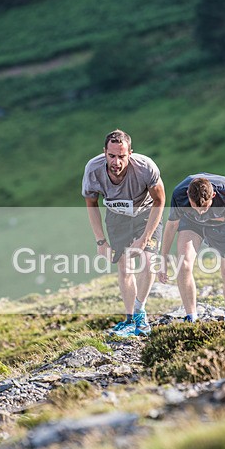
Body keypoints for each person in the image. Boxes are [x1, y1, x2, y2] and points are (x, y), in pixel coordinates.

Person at [82, 129, 165, 336]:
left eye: (121, 156)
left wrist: (145, 238)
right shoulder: (93, 170)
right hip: (117, 217)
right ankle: (129, 319)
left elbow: (160, 200)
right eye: (111, 156)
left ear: (130, 153)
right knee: (124, 266)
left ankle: (140, 312)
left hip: (146, 213)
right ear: (104, 152)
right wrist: (101, 242)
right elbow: (91, 204)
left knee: (148, 261)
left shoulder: (146, 168)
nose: (116, 162)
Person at [158, 173, 225, 322]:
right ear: (188, 195)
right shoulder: (179, 193)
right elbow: (172, 225)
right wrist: (163, 258)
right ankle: (192, 318)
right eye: (195, 207)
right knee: (184, 264)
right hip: (192, 224)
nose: (200, 212)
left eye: (205, 207)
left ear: (213, 195)